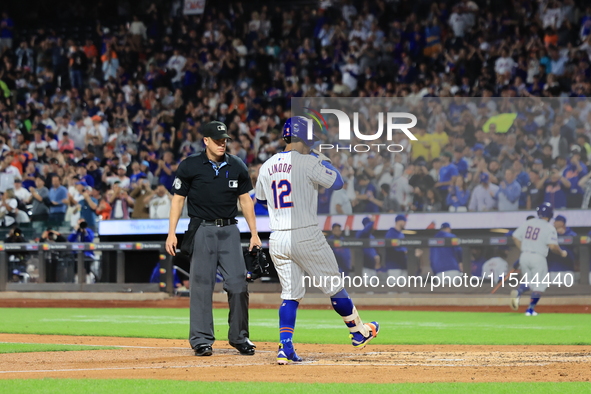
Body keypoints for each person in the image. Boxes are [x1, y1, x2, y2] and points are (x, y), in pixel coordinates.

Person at [255, 116, 379, 365]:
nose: (311, 145)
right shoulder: (309, 161)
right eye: (309, 141)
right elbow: (338, 182)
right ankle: (358, 332)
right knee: (334, 286)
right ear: (301, 139)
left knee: (290, 295)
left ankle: (285, 347)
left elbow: (260, 200)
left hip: (278, 236)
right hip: (306, 233)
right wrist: (322, 161)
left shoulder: (267, 165)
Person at [165, 121, 261, 357]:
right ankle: (201, 340)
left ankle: (240, 337)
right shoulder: (190, 165)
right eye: (217, 140)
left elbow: (246, 200)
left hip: (230, 231)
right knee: (201, 287)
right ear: (206, 141)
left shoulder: (237, 165)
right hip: (202, 230)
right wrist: (171, 232)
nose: (222, 143)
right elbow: (178, 199)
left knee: (238, 284)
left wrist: (254, 233)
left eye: (225, 139)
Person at [510, 203, 568, 316]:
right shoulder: (549, 227)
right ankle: (530, 310)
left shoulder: (528, 222)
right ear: (550, 214)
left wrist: (524, 248)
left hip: (524, 256)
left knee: (529, 282)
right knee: (539, 285)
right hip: (538, 257)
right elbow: (552, 246)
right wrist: (561, 253)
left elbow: (515, 236)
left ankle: (518, 292)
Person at [547, 215, 576, 282]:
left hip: (568, 269)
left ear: (562, 223)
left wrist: (563, 234)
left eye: (556, 221)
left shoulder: (570, 233)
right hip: (554, 269)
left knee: (570, 291)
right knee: (554, 291)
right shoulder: (551, 234)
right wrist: (557, 234)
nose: (554, 223)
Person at [384, 215, 408, 280]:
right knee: (393, 289)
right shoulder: (391, 233)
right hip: (393, 266)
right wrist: (406, 252)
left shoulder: (401, 234)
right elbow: (394, 247)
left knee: (404, 289)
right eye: (404, 221)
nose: (405, 223)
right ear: (399, 221)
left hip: (403, 266)